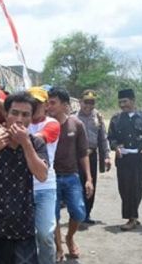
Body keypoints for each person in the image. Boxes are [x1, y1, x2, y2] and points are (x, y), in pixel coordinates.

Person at [0, 92, 49, 264]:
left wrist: (26, 144)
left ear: (31, 118)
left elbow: (42, 175)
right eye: (14, 113)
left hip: (24, 225)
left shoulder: (36, 144)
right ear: (6, 115)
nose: (19, 119)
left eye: (25, 114)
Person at [47, 87, 92, 261]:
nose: (49, 106)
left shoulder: (76, 124)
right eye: (48, 103)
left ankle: (69, 237)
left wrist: (88, 178)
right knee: (53, 215)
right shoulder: (45, 124)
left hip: (72, 176)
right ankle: (59, 248)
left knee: (79, 211)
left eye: (53, 103)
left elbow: (83, 153)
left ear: (65, 105)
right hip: (51, 177)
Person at [107, 88, 142, 231]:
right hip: (123, 159)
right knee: (124, 189)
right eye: (120, 102)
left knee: (137, 188)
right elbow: (111, 138)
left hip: (139, 159)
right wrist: (115, 147)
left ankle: (132, 218)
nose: (123, 105)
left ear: (133, 101)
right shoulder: (116, 119)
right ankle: (132, 217)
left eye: (125, 101)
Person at [27, 86, 60, 264]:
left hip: (44, 186)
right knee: (25, 234)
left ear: (46, 105)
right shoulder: (20, 122)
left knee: (45, 233)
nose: (33, 106)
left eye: (37, 103)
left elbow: (37, 139)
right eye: (30, 102)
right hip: (22, 186)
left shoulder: (51, 124)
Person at [76, 90, 111, 224]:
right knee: (77, 185)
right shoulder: (73, 117)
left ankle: (87, 214)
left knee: (91, 184)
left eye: (92, 102)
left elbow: (103, 138)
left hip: (92, 156)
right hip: (77, 156)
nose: (89, 106)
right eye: (86, 102)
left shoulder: (98, 117)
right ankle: (78, 214)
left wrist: (106, 156)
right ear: (80, 102)